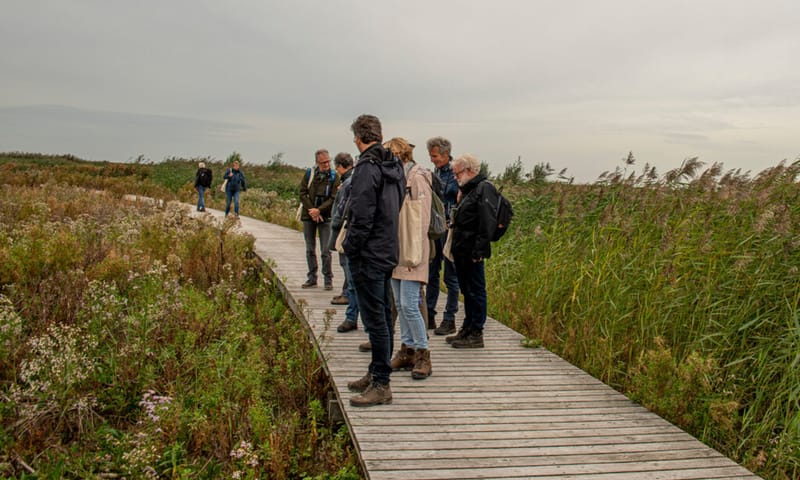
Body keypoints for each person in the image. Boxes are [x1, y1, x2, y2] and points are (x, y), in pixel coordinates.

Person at [344, 114, 405, 407]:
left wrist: (350, 246)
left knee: (375, 320)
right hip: (387, 248)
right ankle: (376, 372)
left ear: (359, 138)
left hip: (368, 252)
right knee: (381, 316)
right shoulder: (394, 165)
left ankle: (381, 384)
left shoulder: (367, 167)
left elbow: (362, 213)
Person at [384, 137, 433, 379]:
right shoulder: (397, 177)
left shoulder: (417, 176)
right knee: (399, 304)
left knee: (410, 304)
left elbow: (421, 218)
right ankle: (406, 349)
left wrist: (413, 247)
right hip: (396, 249)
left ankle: (423, 353)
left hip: (412, 249)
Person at [447, 153, 500, 349]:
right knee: (467, 291)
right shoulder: (469, 189)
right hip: (462, 249)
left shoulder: (484, 188)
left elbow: (487, 222)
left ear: (469, 170)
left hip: (472, 251)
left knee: (476, 291)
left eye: (457, 172)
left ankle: (476, 331)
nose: (455, 177)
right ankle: (467, 328)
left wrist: (479, 251)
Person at [426, 137, 461, 335]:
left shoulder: (456, 173)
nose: (433, 160)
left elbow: (458, 198)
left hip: (450, 230)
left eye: (435, 156)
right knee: (431, 272)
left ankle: (450, 318)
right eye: (431, 156)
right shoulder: (435, 172)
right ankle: (429, 314)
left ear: (446, 154)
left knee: (450, 276)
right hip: (436, 229)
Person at [329, 152, 362, 334]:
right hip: (354, 233)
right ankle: (353, 317)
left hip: (354, 234)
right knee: (353, 279)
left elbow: (341, 209)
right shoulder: (352, 182)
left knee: (353, 279)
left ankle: (353, 317)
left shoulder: (350, 183)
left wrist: (335, 227)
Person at [299, 149, 338, 290]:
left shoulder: (334, 176)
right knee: (310, 249)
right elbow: (302, 193)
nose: (326, 164)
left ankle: (328, 279)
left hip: (326, 216)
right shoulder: (309, 174)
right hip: (309, 215)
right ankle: (312, 278)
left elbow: (334, 197)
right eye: (323, 162)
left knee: (325, 250)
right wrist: (313, 211)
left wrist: (319, 210)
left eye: (328, 161)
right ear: (317, 162)